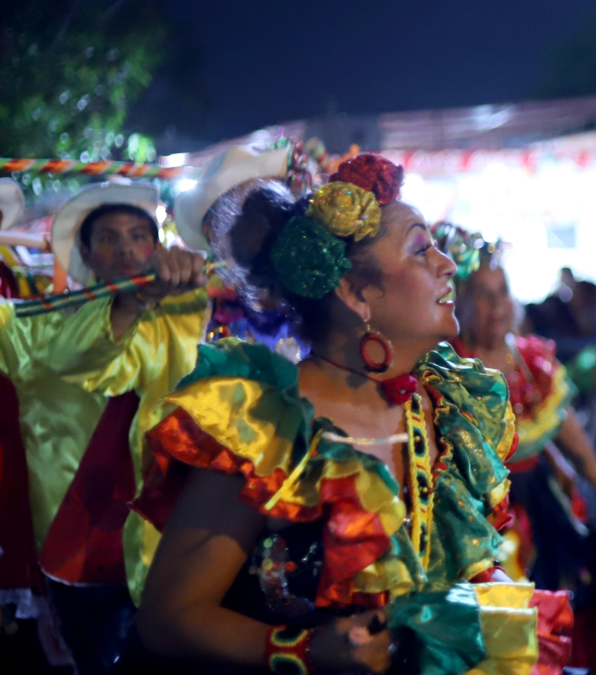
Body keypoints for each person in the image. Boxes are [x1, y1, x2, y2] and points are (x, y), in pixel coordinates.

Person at [124, 155, 545, 675]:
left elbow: (455, 573)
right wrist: (300, 651)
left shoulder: (445, 409)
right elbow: (169, 618)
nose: (447, 264)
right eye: (420, 248)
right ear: (354, 292)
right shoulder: (264, 428)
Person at [0, 182, 209, 674]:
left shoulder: (178, 313)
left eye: (140, 237)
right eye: (110, 239)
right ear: (88, 254)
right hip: (78, 546)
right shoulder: (33, 324)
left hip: (168, 535)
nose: (128, 250)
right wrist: (131, 303)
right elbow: (90, 360)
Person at [444, 238, 596, 589]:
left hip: (541, 506)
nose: (496, 303)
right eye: (483, 294)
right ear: (460, 300)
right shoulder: (449, 368)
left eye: (502, 290)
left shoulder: (530, 360)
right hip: (482, 520)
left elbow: (563, 425)